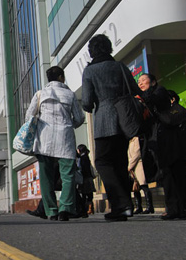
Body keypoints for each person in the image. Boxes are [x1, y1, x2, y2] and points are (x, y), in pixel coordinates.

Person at [81, 34, 141, 221]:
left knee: (103, 162)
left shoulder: (90, 71)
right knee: (121, 163)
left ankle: (121, 204)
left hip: (105, 121)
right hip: (124, 119)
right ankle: (126, 206)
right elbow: (134, 89)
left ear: (92, 51)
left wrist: (91, 105)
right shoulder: (120, 66)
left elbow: (87, 101)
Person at [25, 66, 85, 221]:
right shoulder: (70, 94)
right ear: (61, 77)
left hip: (44, 140)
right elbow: (79, 118)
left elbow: (29, 116)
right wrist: (67, 124)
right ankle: (65, 209)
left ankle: (51, 211)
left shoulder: (40, 94)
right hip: (65, 139)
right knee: (68, 176)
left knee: (46, 178)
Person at [139, 76, 186, 219]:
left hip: (168, 141)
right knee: (175, 174)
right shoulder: (152, 95)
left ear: (153, 82)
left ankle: (176, 208)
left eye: (143, 80)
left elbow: (153, 101)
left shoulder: (160, 91)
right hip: (163, 140)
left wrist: (142, 96)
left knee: (170, 173)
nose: (140, 83)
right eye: (138, 82)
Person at [127, 136, 154, 214]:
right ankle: (138, 206)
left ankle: (149, 206)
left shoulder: (136, 140)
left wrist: (130, 166)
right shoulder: (129, 142)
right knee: (136, 188)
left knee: (144, 186)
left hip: (138, 165)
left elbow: (137, 153)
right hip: (133, 168)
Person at [76, 144, 96, 216]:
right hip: (89, 178)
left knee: (84, 194)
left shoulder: (82, 158)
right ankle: (90, 208)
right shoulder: (86, 157)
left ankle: (86, 209)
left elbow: (81, 168)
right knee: (89, 194)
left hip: (84, 178)